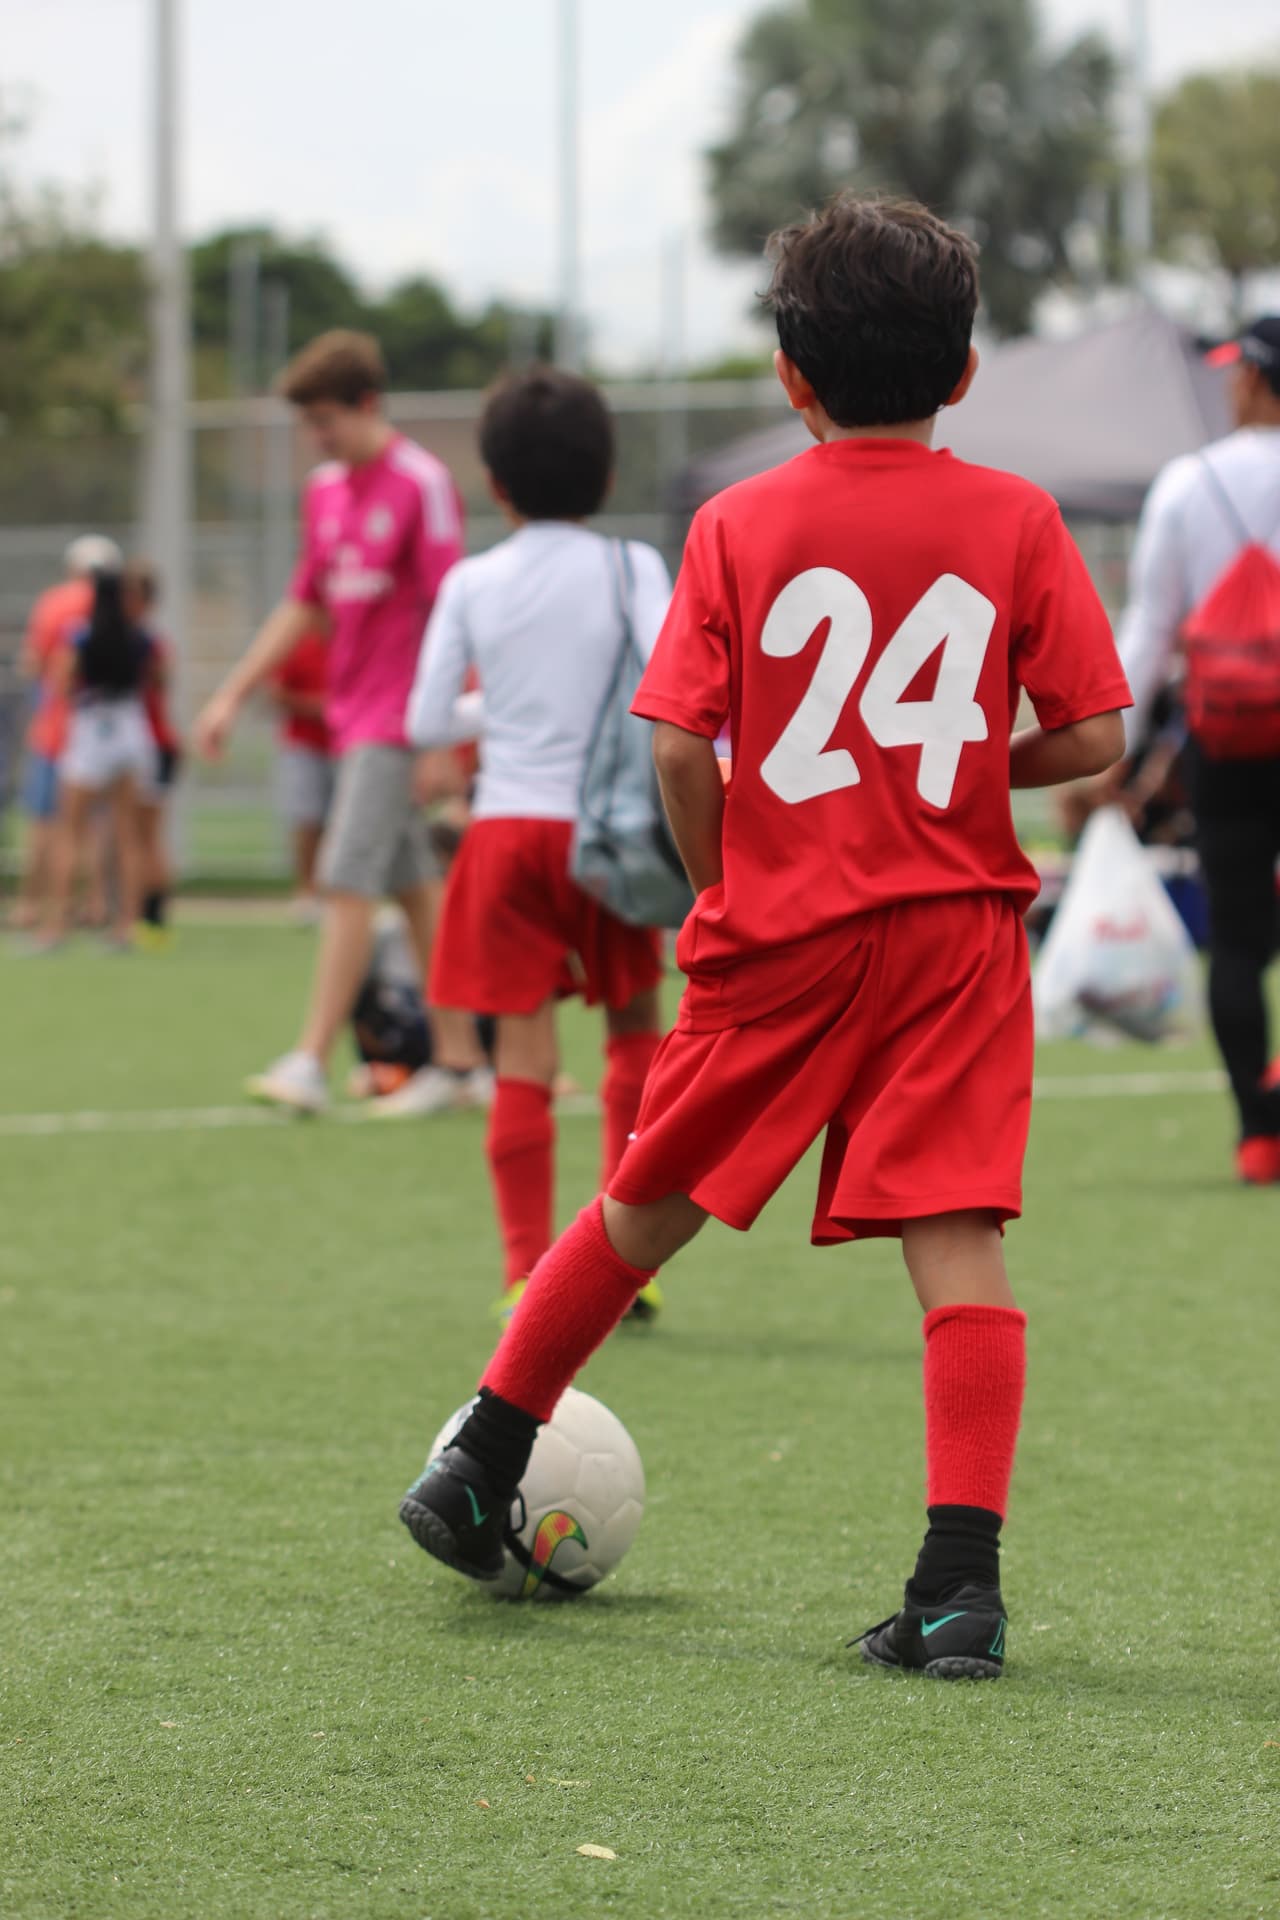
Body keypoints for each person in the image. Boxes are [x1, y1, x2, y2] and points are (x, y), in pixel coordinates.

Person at [398, 195, 1130, 1680]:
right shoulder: (1017, 518)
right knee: (957, 1238)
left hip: (780, 926)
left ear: (789, 375)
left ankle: (479, 1457)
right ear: (967, 370)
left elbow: (678, 748)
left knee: (641, 1205)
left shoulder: (738, 522)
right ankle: (957, 1589)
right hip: (953, 938)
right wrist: (946, 773)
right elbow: (1098, 734)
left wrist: (729, 878)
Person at [402, 368, 670, 1317]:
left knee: (523, 1055)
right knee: (635, 1032)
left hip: (508, 831)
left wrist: (504, 709)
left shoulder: (473, 580)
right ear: (602, 476)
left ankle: (526, 1272)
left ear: (496, 483)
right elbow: (668, 684)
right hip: (612, 833)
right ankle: (618, 1265)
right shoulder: (630, 567)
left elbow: (429, 716)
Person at [193, 329, 490, 1114]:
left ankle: (310, 1061)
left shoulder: (421, 483)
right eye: (308, 426)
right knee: (414, 889)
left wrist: (445, 735)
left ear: (368, 404)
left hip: (400, 722)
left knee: (343, 876)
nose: (317, 440)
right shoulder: (324, 490)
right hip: (350, 718)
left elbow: (450, 611)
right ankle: (461, 1067)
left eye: (327, 421)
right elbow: (304, 601)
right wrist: (232, 692)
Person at [1104, 317, 1280, 1184]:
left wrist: (1115, 750)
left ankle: (1258, 1132)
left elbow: (1150, 629)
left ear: (1251, 378)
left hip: (1231, 736)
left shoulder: (1189, 483)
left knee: (1239, 938)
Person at [44, 567, 157, 948]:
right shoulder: (141, 637)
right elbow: (157, 680)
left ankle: (56, 926)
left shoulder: (81, 633)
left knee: (70, 831)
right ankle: (126, 926)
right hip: (129, 728)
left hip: (92, 727)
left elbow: (60, 682)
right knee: (129, 836)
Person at [14, 534, 122, 929]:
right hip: (105, 730)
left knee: (45, 821)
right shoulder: (118, 606)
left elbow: (33, 661)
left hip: (55, 729)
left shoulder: (55, 602)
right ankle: (95, 905)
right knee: (95, 824)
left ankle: (33, 906)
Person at [131, 563, 183, 948]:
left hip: (151, 745)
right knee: (139, 836)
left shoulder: (146, 642)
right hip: (150, 744)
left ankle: (152, 919)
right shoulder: (146, 640)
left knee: (146, 837)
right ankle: (140, 916)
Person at [271, 627, 334, 921]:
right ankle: (306, 891)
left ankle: (331, 890)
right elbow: (277, 693)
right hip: (304, 744)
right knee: (307, 819)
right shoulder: (298, 644)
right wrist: (316, 708)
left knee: (341, 822)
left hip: (348, 744)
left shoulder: (351, 641)